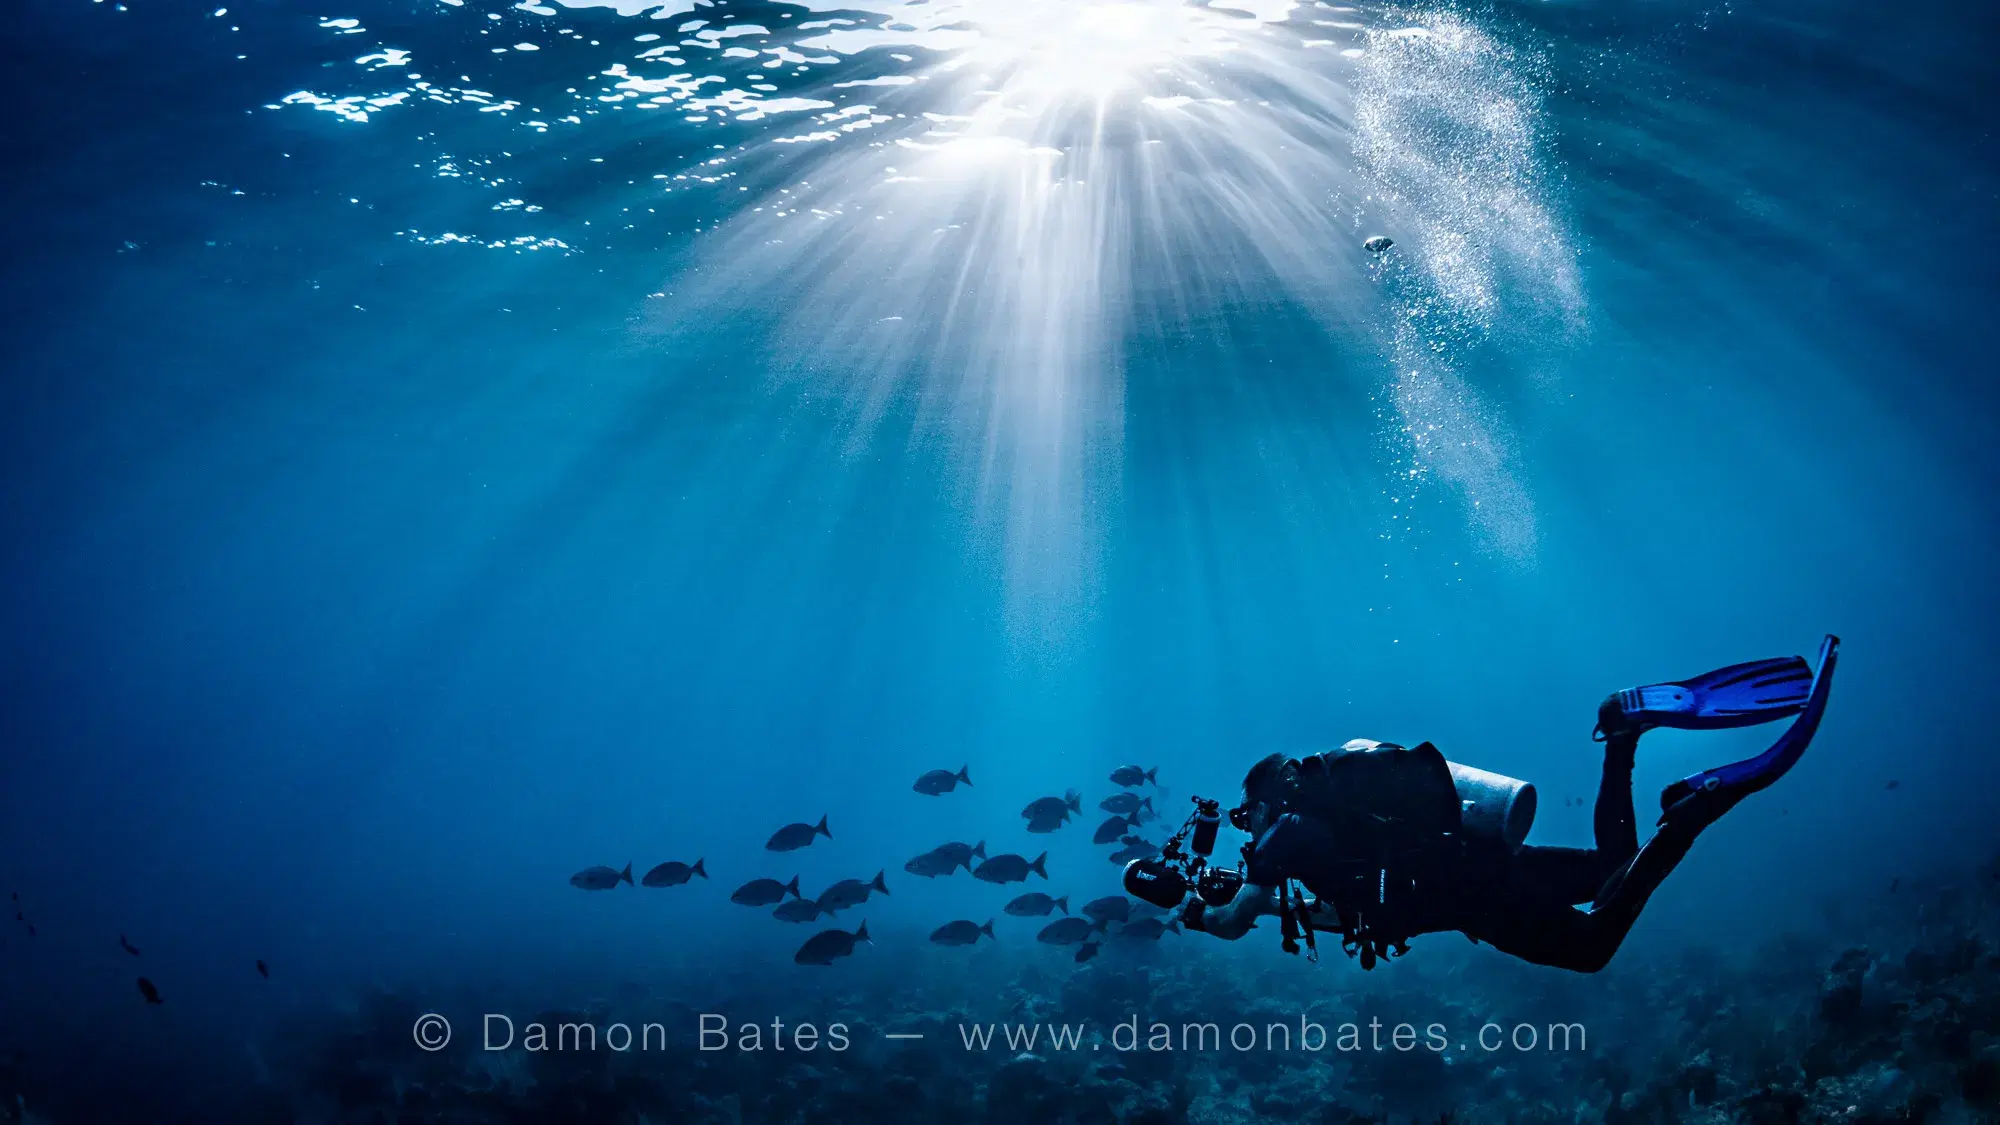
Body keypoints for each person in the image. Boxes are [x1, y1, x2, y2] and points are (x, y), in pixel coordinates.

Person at [1183, 636, 1839, 972]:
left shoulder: (1288, 832)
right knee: (1616, 863)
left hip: (1479, 895)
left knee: (1591, 947)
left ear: (1270, 799)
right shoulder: (1331, 831)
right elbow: (1340, 909)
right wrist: (1266, 900)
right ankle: (1619, 735)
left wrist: (1194, 908)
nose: (1249, 829)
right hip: (1486, 858)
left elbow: (1231, 921)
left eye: (1248, 814)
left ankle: (1697, 805)